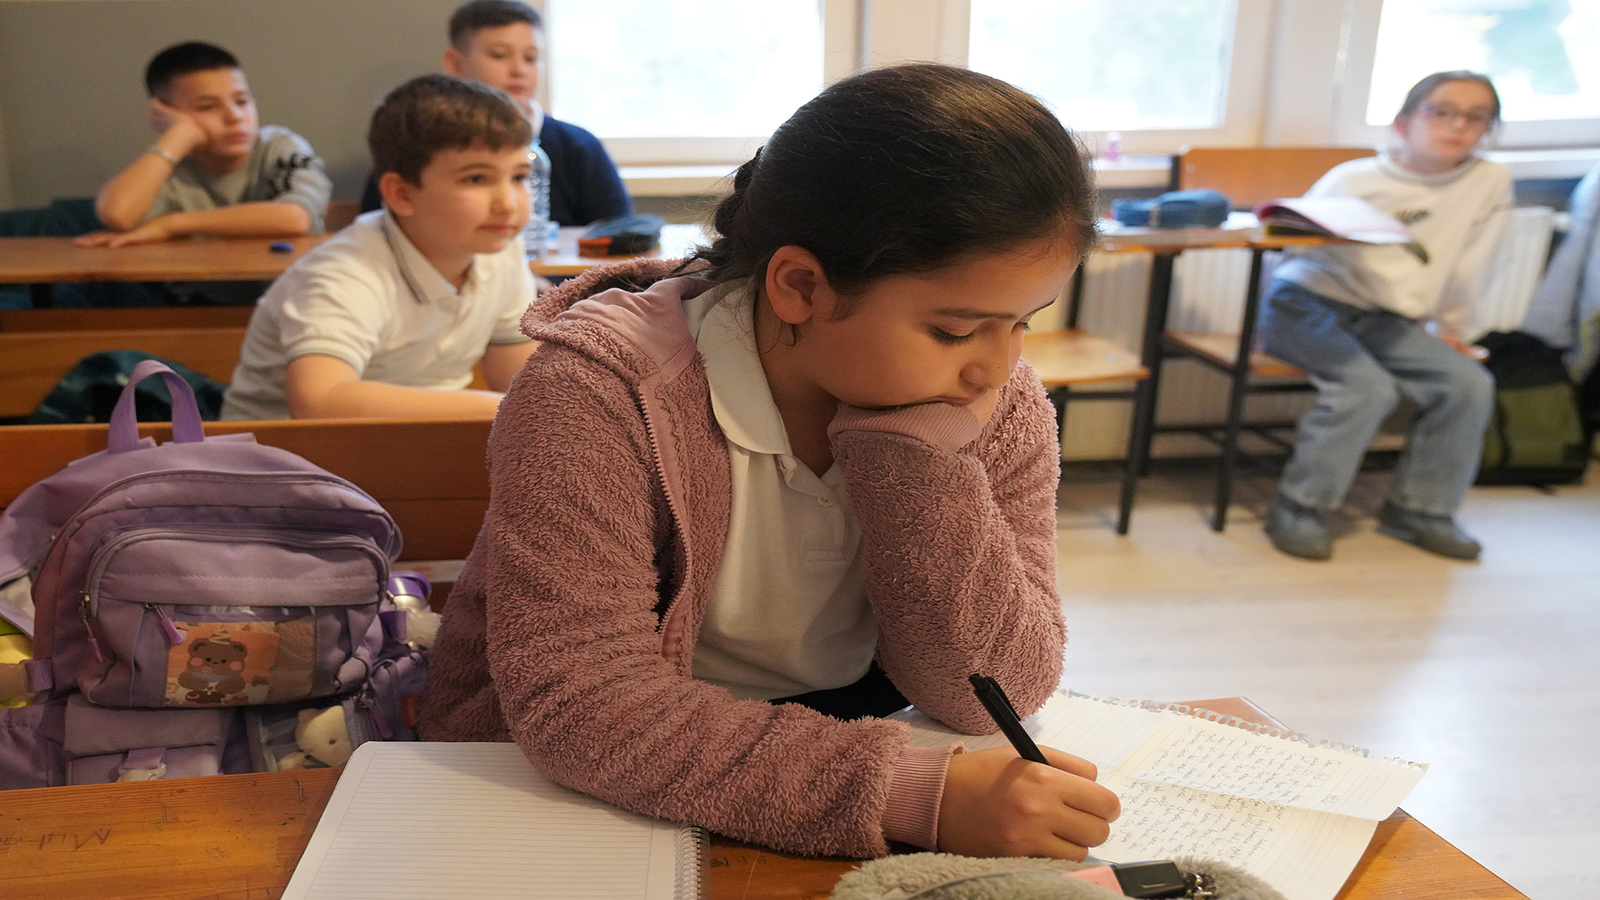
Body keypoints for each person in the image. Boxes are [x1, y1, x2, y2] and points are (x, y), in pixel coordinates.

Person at [418, 63, 1120, 861]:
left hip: (826, 751)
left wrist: (918, 463)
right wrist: (901, 791)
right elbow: (581, 703)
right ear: (799, 286)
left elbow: (995, 690)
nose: (997, 368)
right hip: (573, 796)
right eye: (955, 331)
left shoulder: (997, 402)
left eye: (1024, 322)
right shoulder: (599, 391)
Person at [1259, 70, 1512, 561]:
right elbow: (1287, 247)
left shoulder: (1489, 181)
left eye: (1476, 117)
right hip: (1306, 302)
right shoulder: (1353, 178)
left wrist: (1451, 330)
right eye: (1442, 111)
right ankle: (1300, 506)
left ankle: (1422, 509)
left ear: (1488, 129)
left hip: (1385, 318)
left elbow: (1475, 265)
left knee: (1467, 384)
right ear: (1403, 123)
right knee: (1366, 388)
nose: (1458, 125)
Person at [220, 75, 538, 420]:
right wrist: (497, 408)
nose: (508, 203)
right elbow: (319, 401)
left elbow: (524, 387)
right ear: (401, 194)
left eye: (519, 177)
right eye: (476, 179)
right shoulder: (346, 273)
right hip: (277, 450)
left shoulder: (501, 251)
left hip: (412, 442)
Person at [357, 0, 632, 229]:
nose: (519, 70)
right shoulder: (416, 142)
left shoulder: (579, 146)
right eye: (499, 55)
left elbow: (622, 234)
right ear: (456, 63)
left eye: (531, 58)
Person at [76, 41, 331, 249]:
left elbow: (295, 218)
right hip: (196, 294)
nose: (234, 117)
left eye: (241, 101)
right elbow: (118, 214)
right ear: (165, 116)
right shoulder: (167, 169)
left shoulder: (280, 147)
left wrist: (172, 224)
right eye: (207, 107)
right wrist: (176, 138)